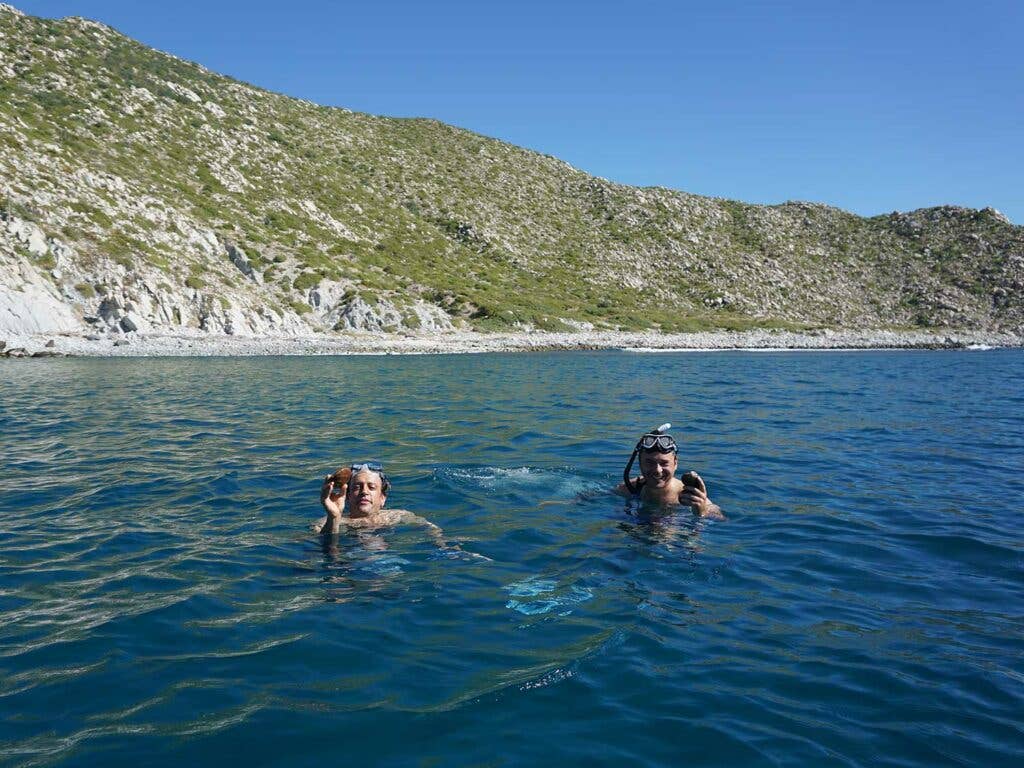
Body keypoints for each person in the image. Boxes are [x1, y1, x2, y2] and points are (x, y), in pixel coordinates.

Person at [314, 461, 475, 552]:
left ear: (383, 498)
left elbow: (431, 530)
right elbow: (325, 552)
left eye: (371, 487)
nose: (364, 492)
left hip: (387, 565)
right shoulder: (325, 523)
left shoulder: (397, 516)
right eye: (357, 487)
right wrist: (334, 518)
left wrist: (444, 545)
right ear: (347, 496)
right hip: (347, 567)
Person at [615, 424, 724, 520]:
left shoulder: (690, 496)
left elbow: (721, 520)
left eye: (664, 463)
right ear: (639, 463)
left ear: (675, 463)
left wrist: (702, 512)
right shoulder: (629, 489)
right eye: (649, 463)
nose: (657, 470)